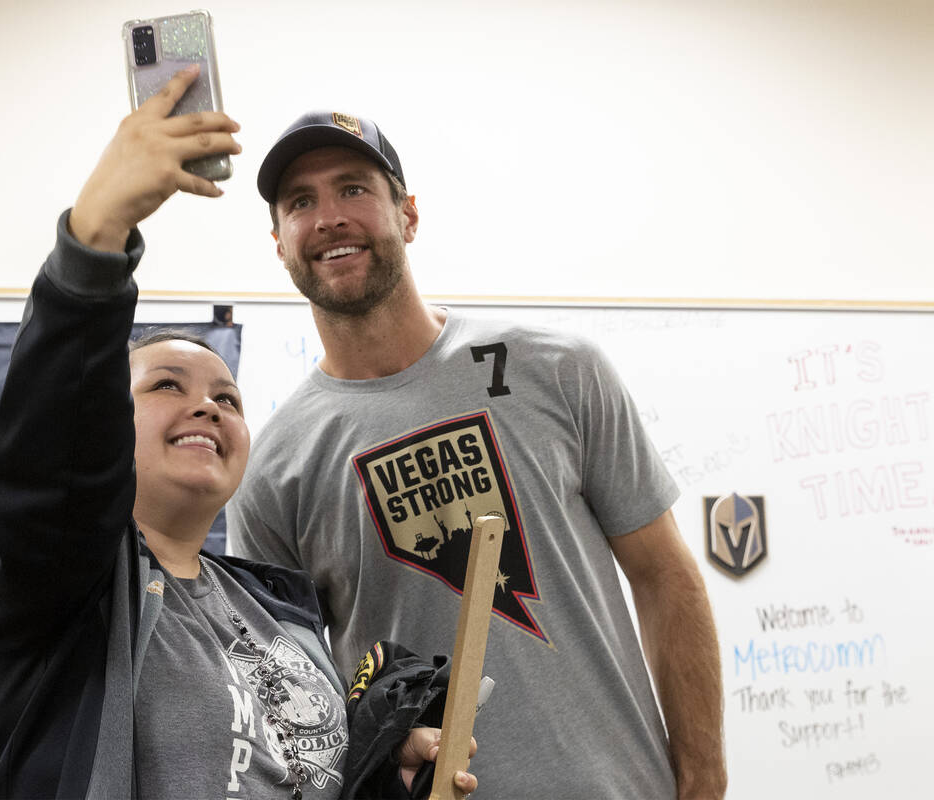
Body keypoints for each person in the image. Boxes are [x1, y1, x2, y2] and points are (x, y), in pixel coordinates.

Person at [0, 69, 477, 799]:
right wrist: (96, 240)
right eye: (166, 386)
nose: (207, 408)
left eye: (227, 399)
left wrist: (382, 781)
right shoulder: (63, 584)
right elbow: (53, 463)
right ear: (107, 422)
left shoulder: (279, 612)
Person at [227, 111, 728, 799]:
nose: (328, 218)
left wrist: (703, 779)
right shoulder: (271, 472)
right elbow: (289, 707)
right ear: (280, 244)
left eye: (353, 189)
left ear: (408, 214)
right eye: (299, 203)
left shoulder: (558, 369)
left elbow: (667, 578)